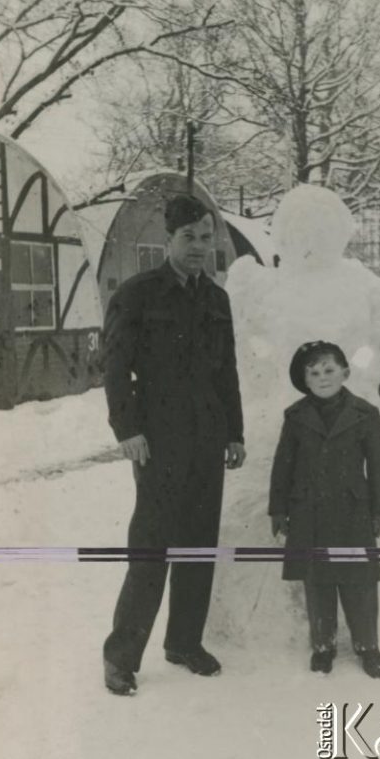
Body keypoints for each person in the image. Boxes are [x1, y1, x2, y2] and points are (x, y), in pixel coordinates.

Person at [102, 194, 246, 695]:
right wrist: (128, 429)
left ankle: (184, 642)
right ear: (170, 240)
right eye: (189, 238)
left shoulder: (216, 298)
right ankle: (121, 656)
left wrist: (235, 432)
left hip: (208, 436)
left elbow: (226, 370)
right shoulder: (139, 293)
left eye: (207, 238)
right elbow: (116, 366)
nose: (199, 247)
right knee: (151, 546)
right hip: (158, 438)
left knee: (198, 545)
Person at [268, 341, 380, 677]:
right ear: (305, 381)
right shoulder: (295, 417)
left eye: (329, 370)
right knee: (317, 579)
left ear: (345, 373)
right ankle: (323, 646)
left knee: (359, 581)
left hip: (353, 511)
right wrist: (278, 509)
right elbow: (283, 465)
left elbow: (379, 465)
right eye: (314, 373)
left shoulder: (365, 413)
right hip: (309, 511)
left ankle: (368, 646)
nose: (322, 378)